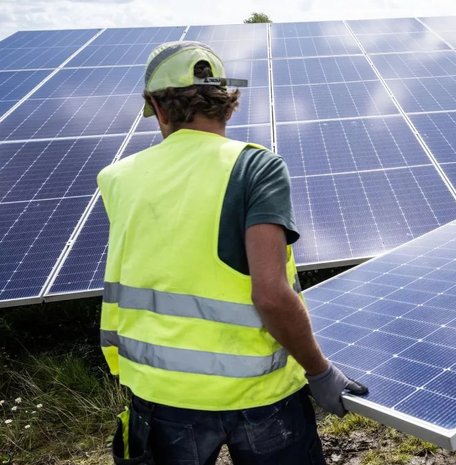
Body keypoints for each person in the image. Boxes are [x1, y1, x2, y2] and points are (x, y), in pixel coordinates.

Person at [98, 41, 366, 464]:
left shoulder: (116, 178)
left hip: (159, 394)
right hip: (262, 395)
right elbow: (271, 296)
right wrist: (320, 372)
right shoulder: (255, 167)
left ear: (159, 109)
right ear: (228, 103)